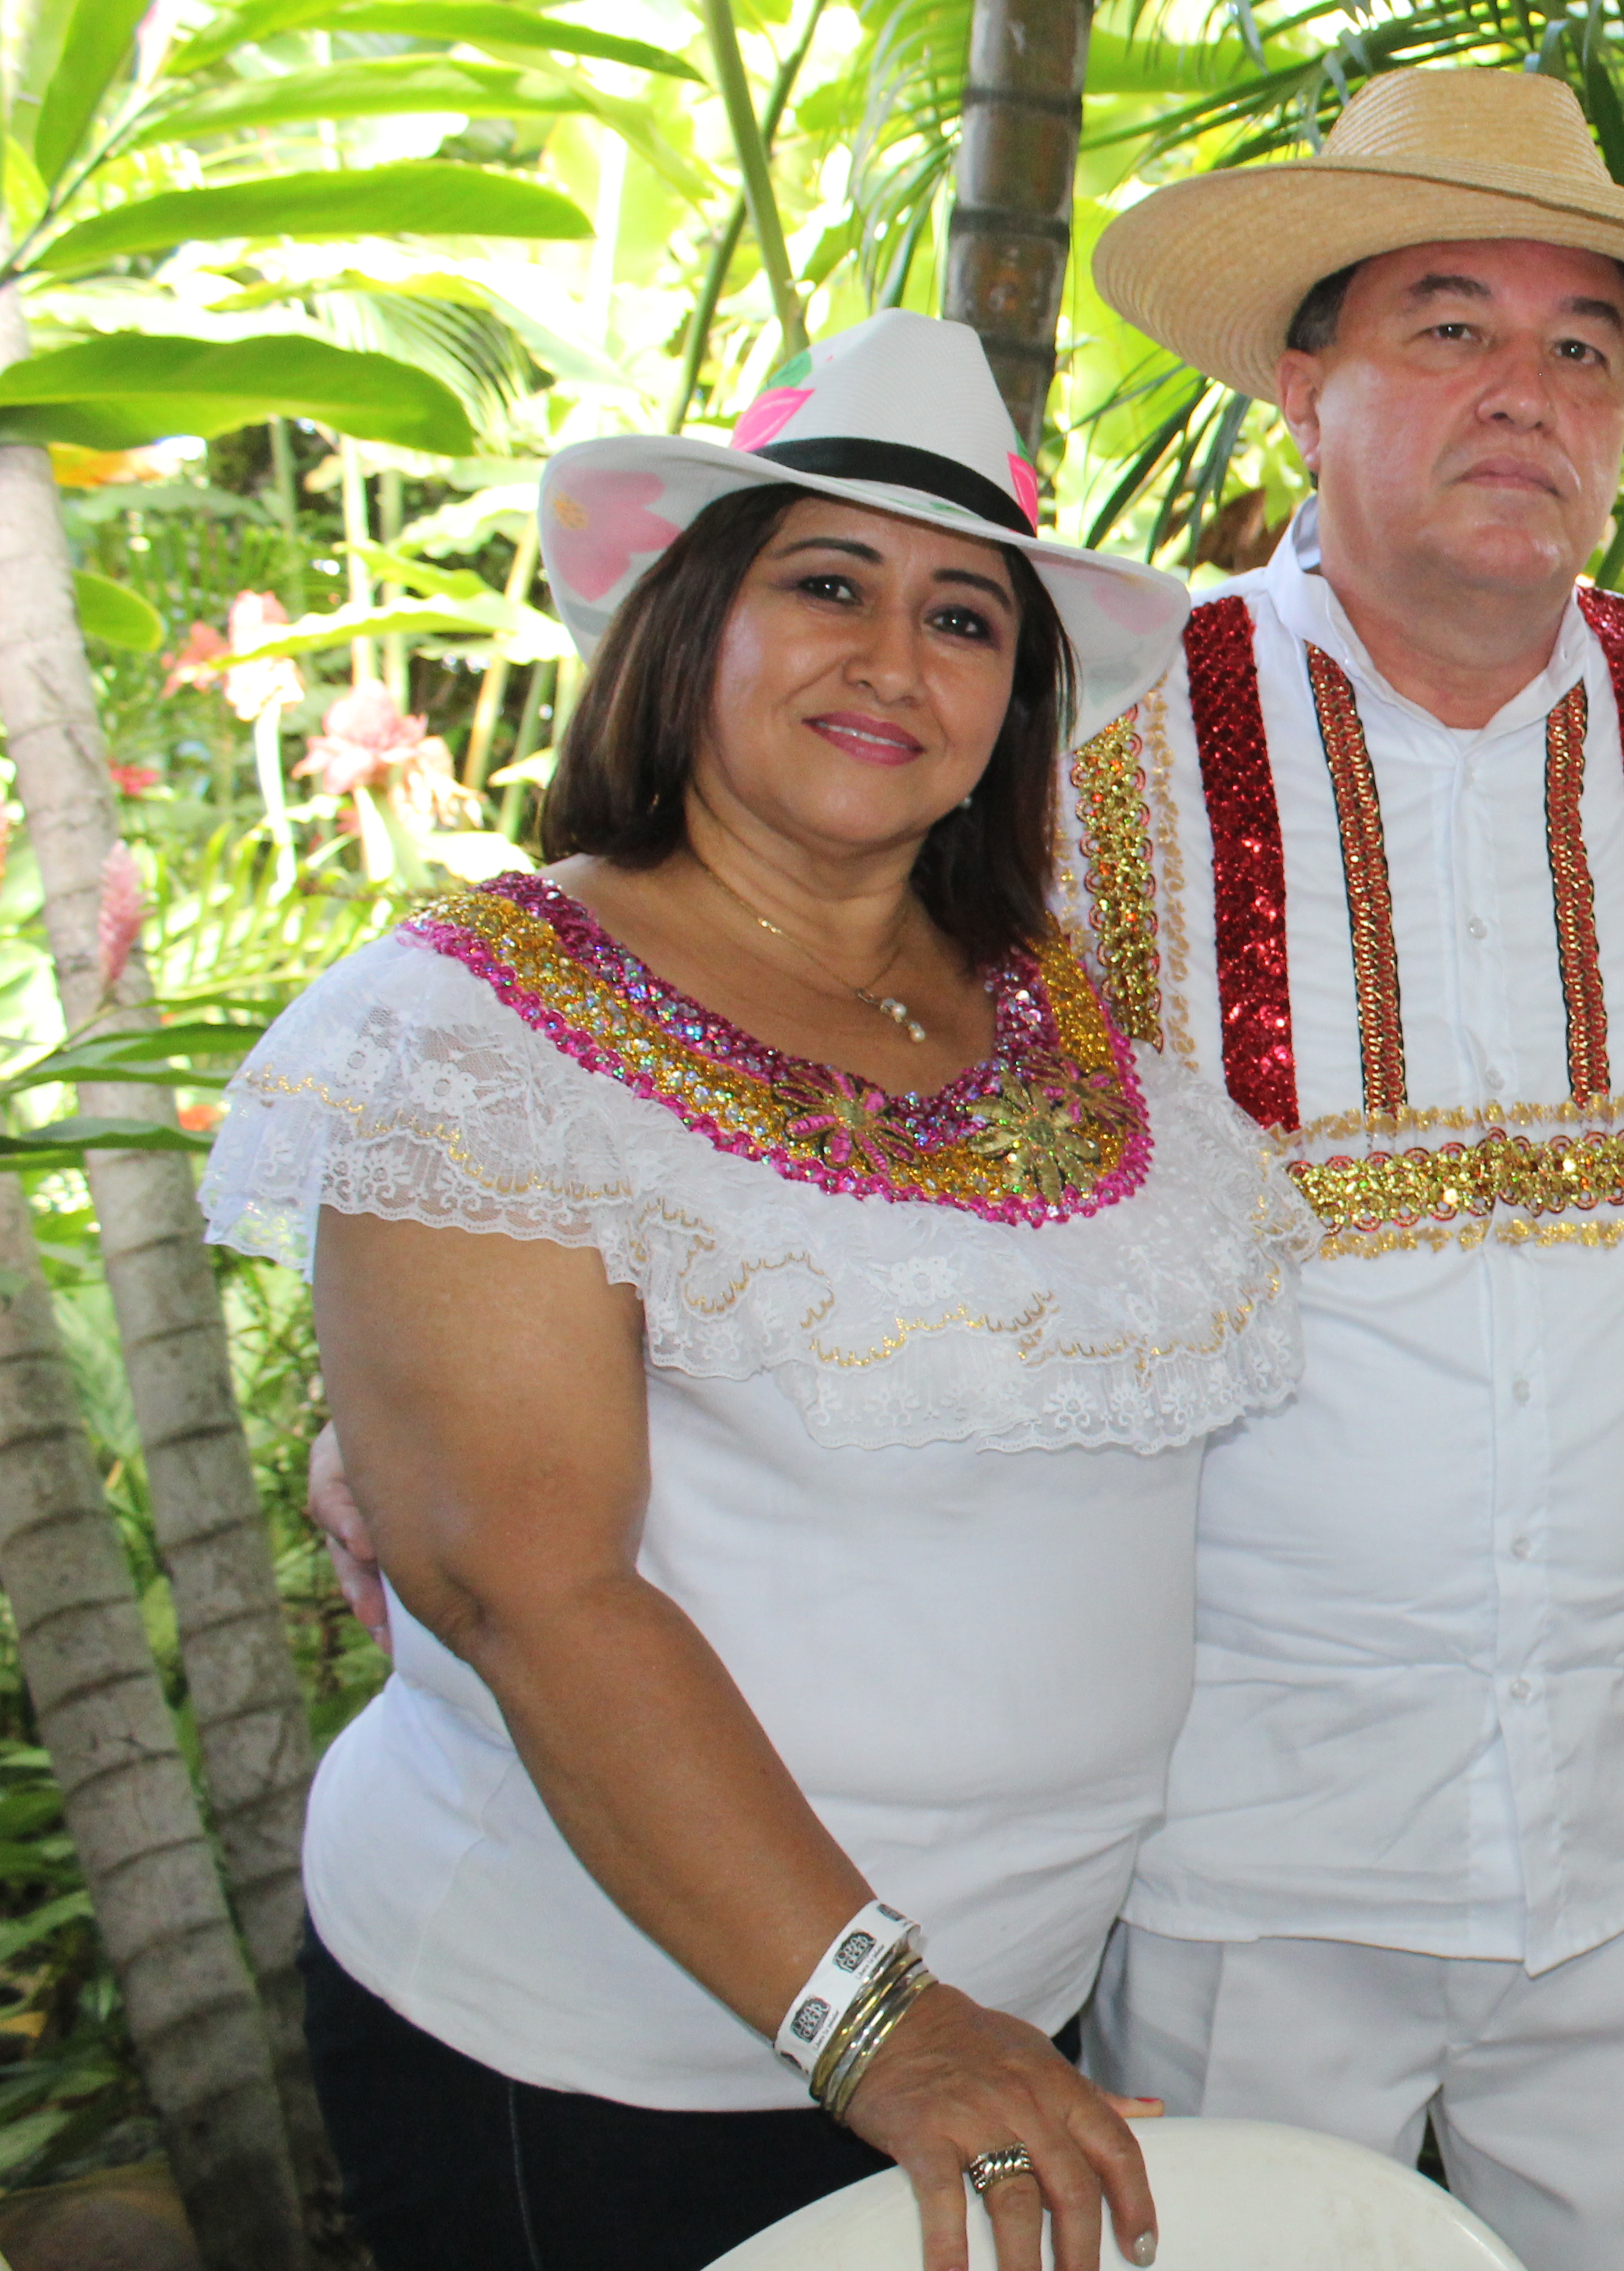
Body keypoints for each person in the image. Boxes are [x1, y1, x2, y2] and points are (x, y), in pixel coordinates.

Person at [212, 312, 1316, 2271]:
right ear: (688, 626)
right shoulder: (470, 1039)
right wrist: (886, 2022)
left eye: (968, 618)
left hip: (1018, 2024)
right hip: (619, 2062)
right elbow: (527, 1583)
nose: (896, 659)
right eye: (829, 584)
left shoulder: (1055, 1010)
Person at [1057, 66, 1624, 2271]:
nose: (1527, 393)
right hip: (1242, 1837)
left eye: (1581, 348)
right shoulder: (1100, 731)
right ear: (1303, 380)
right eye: (1449, 328)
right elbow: (849, 1096)